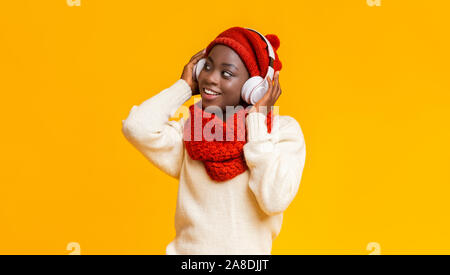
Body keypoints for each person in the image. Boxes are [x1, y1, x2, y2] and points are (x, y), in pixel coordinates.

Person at [121, 26, 306, 255]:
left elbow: (274, 200)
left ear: (256, 88)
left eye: (226, 73)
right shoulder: (191, 130)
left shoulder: (281, 132)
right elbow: (136, 127)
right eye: (206, 66)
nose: (209, 78)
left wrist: (257, 122)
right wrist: (184, 88)